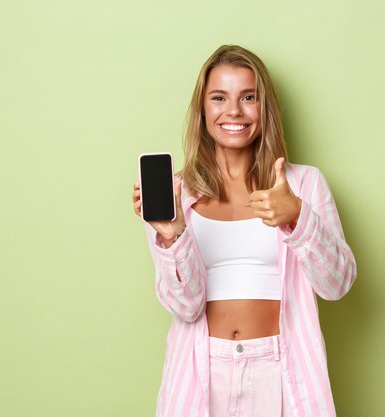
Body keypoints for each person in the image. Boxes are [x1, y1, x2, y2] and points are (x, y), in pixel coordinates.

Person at [132, 45, 357, 417]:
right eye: (219, 97)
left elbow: (338, 284)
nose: (233, 111)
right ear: (203, 109)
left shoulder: (303, 185)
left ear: (263, 107)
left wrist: (297, 217)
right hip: (202, 371)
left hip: (282, 369)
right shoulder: (177, 196)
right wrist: (174, 235)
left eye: (248, 97)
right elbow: (185, 307)